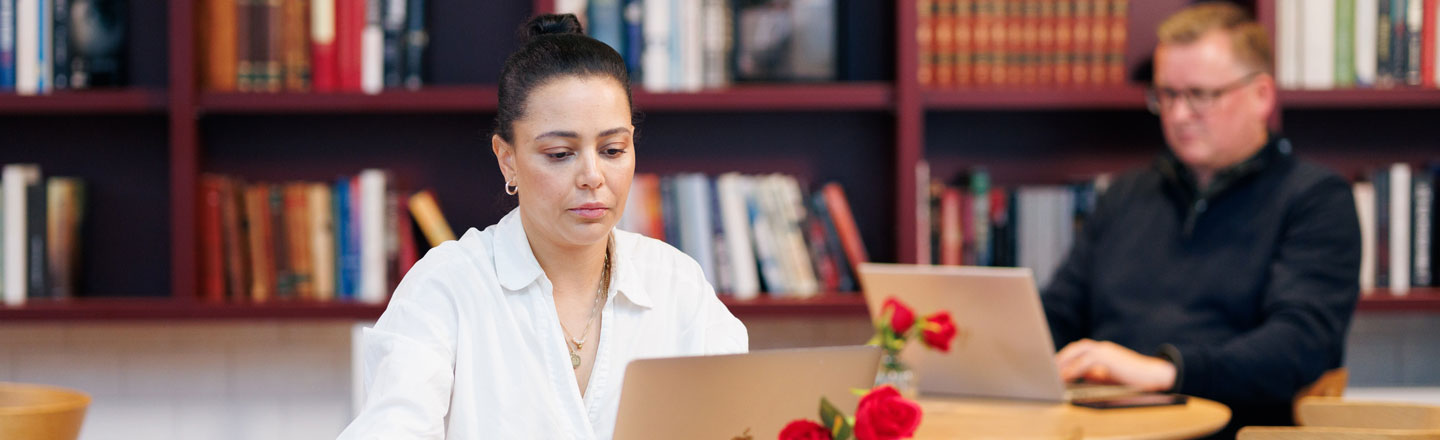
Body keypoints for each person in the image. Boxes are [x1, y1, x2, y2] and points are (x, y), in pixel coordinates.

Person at [338, 14, 748, 439]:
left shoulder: (677, 284)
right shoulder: (446, 288)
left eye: (612, 149)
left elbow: (744, 421)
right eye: (559, 154)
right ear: (507, 158)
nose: (592, 175)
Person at [1042, 1, 1361, 433]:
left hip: (1232, 429)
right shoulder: (1125, 194)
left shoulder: (1315, 199)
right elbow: (1059, 314)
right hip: (1097, 424)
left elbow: (1300, 346)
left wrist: (1166, 371)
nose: (1177, 115)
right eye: (1167, 95)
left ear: (1261, 95)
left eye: (1200, 95)